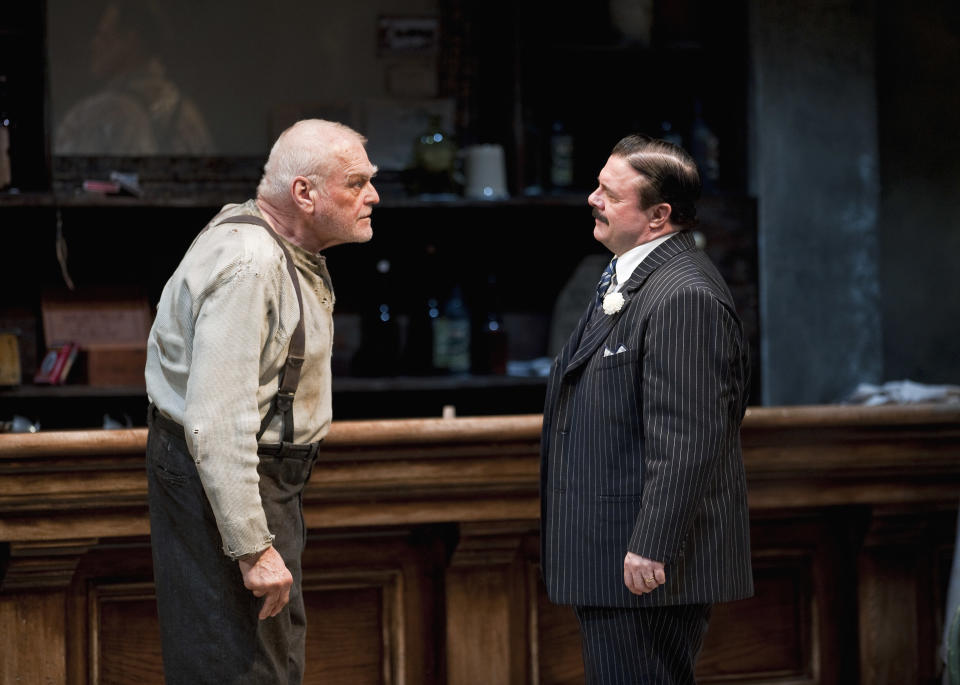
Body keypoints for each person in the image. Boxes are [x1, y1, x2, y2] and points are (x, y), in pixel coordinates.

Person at [144, 119, 379, 683]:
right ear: (305, 193)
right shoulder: (251, 263)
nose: (373, 196)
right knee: (243, 669)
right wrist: (252, 547)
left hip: (262, 482)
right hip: (234, 482)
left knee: (267, 662)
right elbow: (217, 424)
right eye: (356, 183)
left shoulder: (271, 242)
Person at [540, 134, 753, 683]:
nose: (593, 199)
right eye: (597, 187)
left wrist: (652, 545)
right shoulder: (627, 273)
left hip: (646, 561)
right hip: (613, 549)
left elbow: (690, 434)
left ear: (659, 215)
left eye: (610, 194)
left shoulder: (683, 294)